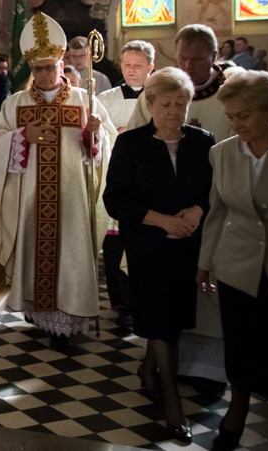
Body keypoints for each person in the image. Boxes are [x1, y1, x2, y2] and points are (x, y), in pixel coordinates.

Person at [0, 12, 116, 351]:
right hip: (31, 199)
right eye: (38, 68)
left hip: (72, 198)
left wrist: (95, 137)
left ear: (62, 65)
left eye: (50, 66)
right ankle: (39, 316)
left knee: (71, 256)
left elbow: (101, 154)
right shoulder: (17, 104)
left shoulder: (84, 100)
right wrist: (21, 136)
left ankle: (72, 321)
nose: (44, 74)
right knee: (36, 255)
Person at [126, 23, 243, 390]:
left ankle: (207, 371)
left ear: (214, 56)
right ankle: (163, 365)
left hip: (213, 214)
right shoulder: (160, 88)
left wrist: (201, 207)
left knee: (207, 300)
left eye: (197, 59)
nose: (189, 66)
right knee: (163, 304)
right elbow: (137, 142)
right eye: (182, 58)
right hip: (160, 226)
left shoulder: (233, 90)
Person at [103, 67, 214, 444]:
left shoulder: (203, 142)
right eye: (165, 103)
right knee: (160, 319)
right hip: (148, 247)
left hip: (188, 245)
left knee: (172, 319)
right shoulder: (131, 144)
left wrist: (199, 210)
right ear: (149, 104)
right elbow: (116, 198)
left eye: (180, 103)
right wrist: (162, 221)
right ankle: (172, 403)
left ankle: (148, 370)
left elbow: (212, 192)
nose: (173, 110)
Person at [197, 71, 268, 449]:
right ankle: (237, 406)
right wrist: (204, 264)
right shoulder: (222, 152)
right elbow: (216, 213)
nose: (235, 124)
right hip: (236, 267)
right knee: (239, 342)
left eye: (243, 116)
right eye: (231, 116)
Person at [97, 40, 155, 324]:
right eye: (127, 65)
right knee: (113, 242)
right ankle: (119, 301)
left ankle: (142, 296)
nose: (131, 71)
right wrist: (108, 134)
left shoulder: (160, 96)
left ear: (150, 67)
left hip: (147, 181)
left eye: (138, 66)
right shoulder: (106, 99)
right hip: (116, 177)